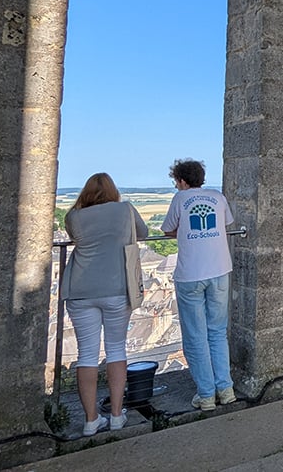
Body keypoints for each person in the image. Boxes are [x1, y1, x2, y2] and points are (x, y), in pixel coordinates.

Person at [62, 172, 146, 436]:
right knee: (116, 350)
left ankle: (90, 420)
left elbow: (75, 239)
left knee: (86, 355)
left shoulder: (73, 216)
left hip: (80, 290)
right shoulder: (125, 210)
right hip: (116, 288)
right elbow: (141, 234)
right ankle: (118, 415)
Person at [160, 158, 237, 411]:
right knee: (217, 331)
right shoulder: (217, 197)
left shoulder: (180, 199)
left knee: (196, 336)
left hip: (191, 274)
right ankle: (225, 389)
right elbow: (227, 224)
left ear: (181, 180)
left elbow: (168, 230)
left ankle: (206, 395)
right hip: (220, 270)